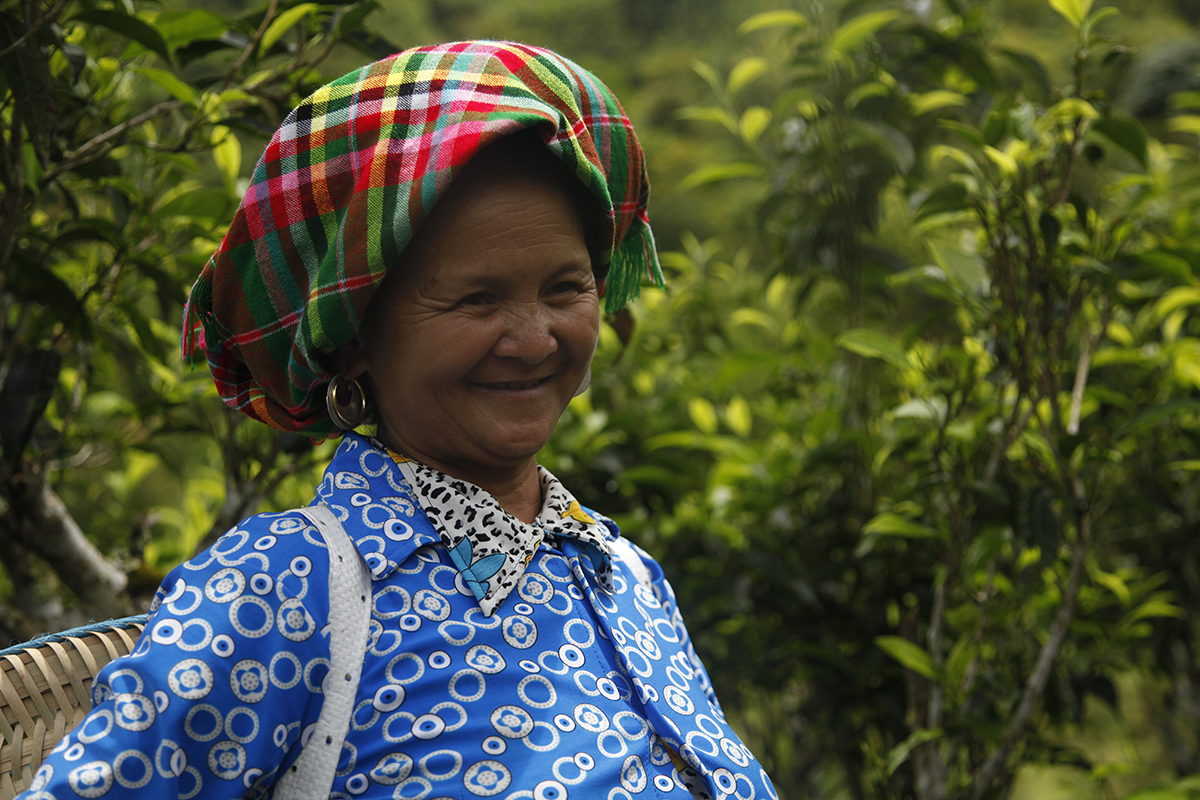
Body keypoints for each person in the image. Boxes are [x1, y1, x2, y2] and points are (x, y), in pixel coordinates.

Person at [19, 42, 777, 800]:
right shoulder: (282, 589)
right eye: (476, 299)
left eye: (565, 287)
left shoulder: (623, 572)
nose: (535, 337)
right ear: (353, 342)